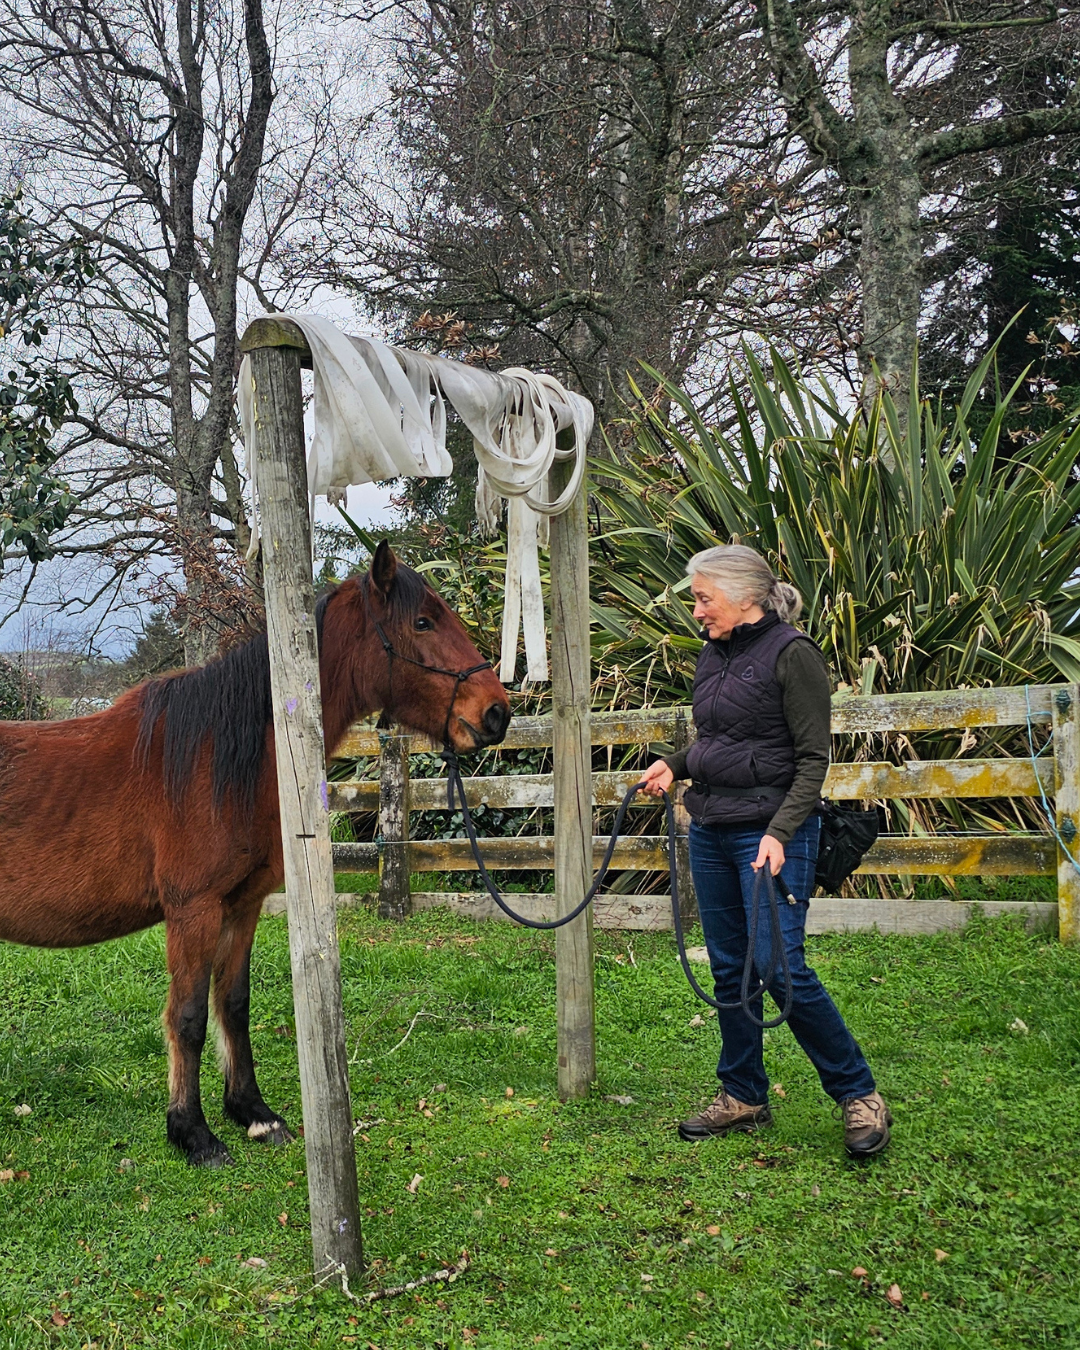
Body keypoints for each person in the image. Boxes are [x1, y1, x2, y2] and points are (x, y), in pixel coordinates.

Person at [638, 545, 891, 1158]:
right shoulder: (713, 656)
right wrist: (673, 765)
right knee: (730, 967)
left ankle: (858, 1092)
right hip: (713, 827)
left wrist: (779, 833)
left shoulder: (794, 655)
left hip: (771, 833)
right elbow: (718, 741)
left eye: (703, 598)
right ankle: (744, 1094)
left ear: (744, 595)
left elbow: (812, 762)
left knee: (780, 967)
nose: (697, 610)